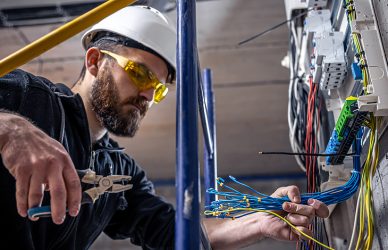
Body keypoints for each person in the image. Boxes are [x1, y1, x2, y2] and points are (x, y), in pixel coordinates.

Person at [0, 5, 329, 250]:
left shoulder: (120, 173)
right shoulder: (31, 98)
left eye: (158, 89)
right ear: (94, 61)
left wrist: (259, 220)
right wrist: (11, 128)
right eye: (140, 74)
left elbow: (177, 233)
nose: (147, 95)